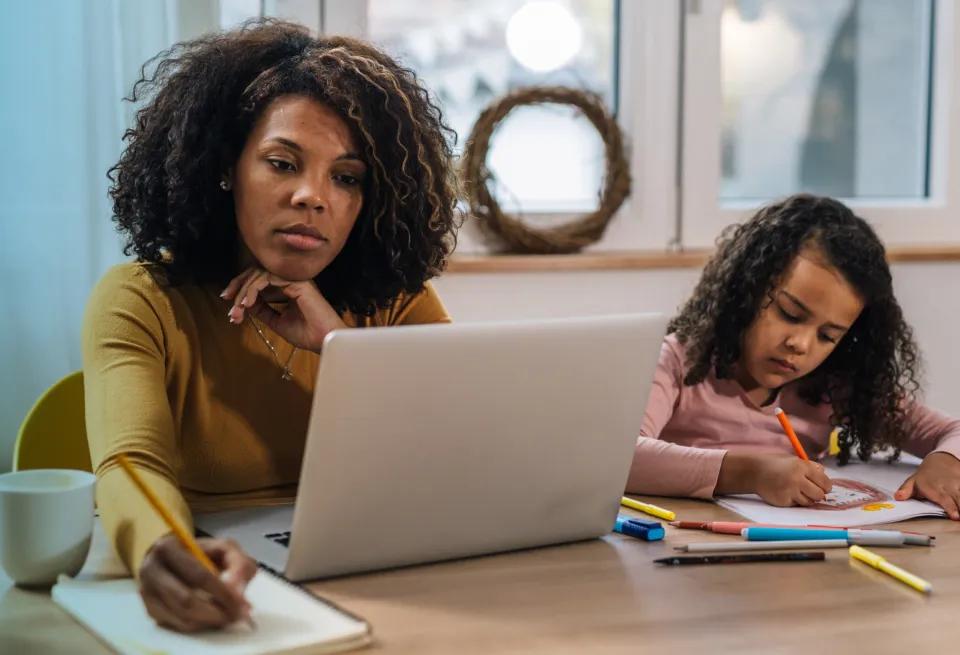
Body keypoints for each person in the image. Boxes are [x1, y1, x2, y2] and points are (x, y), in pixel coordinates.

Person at [83, 19, 459, 632]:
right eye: (283, 163)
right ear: (226, 166)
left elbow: (460, 448)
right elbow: (130, 466)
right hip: (230, 582)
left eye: (346, 177)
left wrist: (339, 347)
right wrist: (161, 547)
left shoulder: (395, 302)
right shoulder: (143, 300)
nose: (314, 196)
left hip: (384, 583)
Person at [625, 194, 960, 516]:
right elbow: (623, 457)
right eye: (789, 313)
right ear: (747, 288)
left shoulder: (832, 386)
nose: (800, 344)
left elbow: (952, 431)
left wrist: (945, 461)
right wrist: (749, 473)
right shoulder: (677, 361)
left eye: (827, 336)